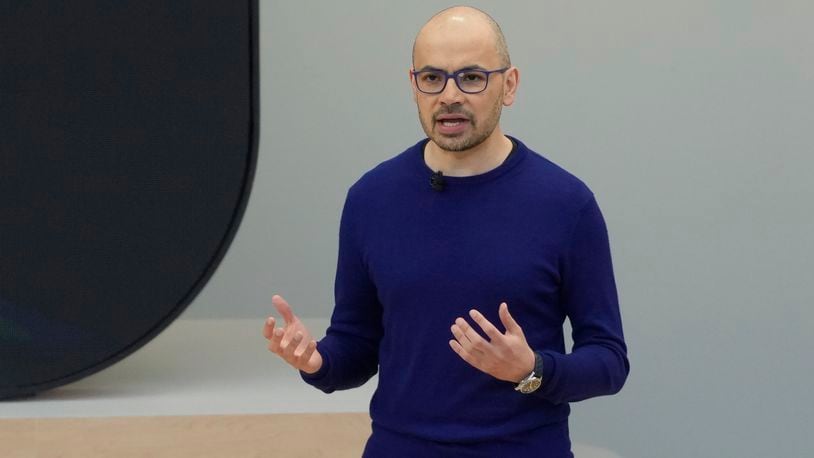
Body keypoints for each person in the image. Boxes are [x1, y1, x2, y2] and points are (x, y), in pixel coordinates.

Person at [262, 6, 629, 457]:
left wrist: (531, 370)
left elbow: (609, 361)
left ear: (508, 85)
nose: (449, 95)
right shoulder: (371, 199)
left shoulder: (566, 204)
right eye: (432, 78)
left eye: (471, 77)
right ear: (413, 85)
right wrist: (317, 361)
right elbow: (356, 346)